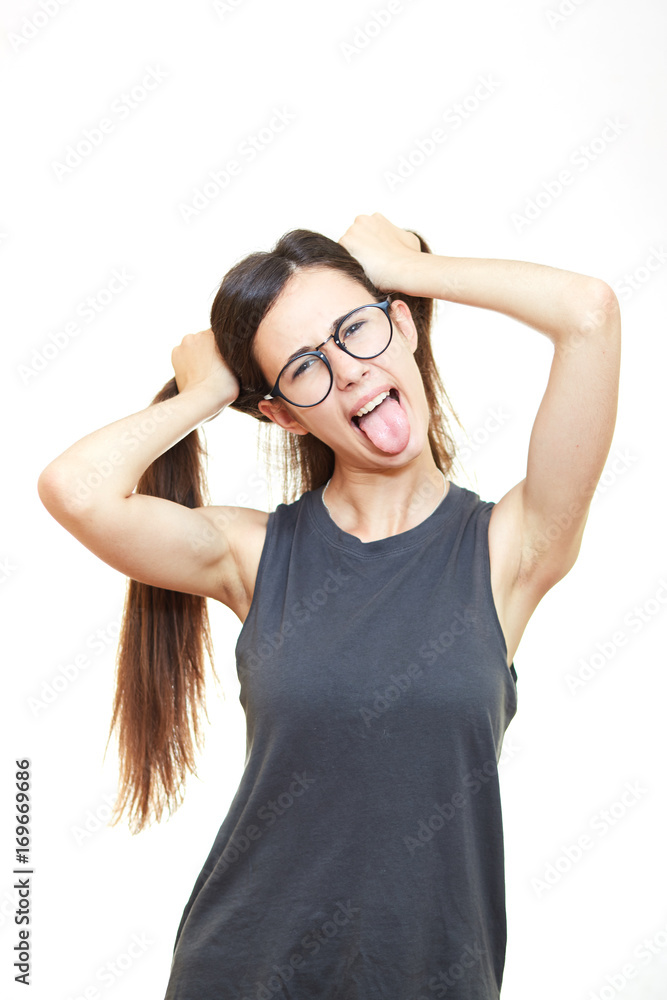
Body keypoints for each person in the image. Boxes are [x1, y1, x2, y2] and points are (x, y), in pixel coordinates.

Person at [37, 212, 621, 998]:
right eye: (306, 367)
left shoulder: (508, 550)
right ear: (282, 413)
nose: (346, 371)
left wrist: (411, 269)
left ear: (401, 326)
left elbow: (588, 315)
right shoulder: (253, 555)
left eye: (356, 330)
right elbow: (74, 491)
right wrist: (208, 393)